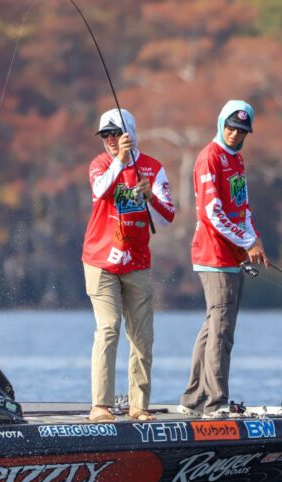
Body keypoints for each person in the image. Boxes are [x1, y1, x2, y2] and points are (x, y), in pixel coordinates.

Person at [82, 108, 175, 423]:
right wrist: (120, 161)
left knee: (142, 338)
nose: (109, 140)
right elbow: (100, 191)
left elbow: (166, 216)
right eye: (104, 135)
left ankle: (139, 406)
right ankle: (101, 406)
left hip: (136, 263)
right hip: (100, 261)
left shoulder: (153, 167)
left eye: (114, 134)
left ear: (129, 134)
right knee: (108, 328)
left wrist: (152, 198)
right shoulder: (100, 164)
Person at [179, 100, 269, 419]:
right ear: (221, 124)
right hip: (213, 256)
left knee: (212, 326)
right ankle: (216, 403)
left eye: (241, 130)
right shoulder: (209, 158)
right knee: (222, 330)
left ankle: (194, 397)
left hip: (233, 256)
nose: (234, 133)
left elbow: (242, 209)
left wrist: (254, 241)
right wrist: (247, 242)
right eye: (230, 126)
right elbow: (211, 213)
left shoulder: (237, 161)